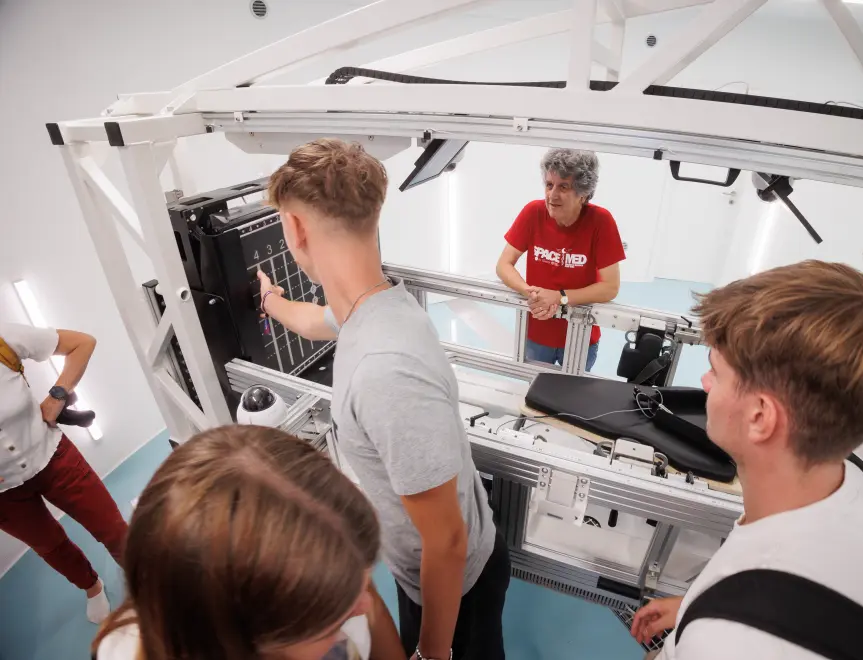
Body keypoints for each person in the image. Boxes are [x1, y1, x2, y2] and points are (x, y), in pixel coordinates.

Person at [257, 138, 509, 660]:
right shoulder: (376, 305)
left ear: (295, 228)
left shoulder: (383, 371)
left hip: (454, 586)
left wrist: (429, 655)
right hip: (424, 570)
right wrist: (271, 301)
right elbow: (313, 320)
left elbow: (446, 541)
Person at [630, 260, 863, 659]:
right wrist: (695, 610)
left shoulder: (734, 644)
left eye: (716, 373)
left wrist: (715, 626)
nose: (704, 384)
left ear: (760, 417)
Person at [92, 425, 405, 660]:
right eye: (327, 625)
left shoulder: (331, 577)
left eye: (362, 583)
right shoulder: (121, 649)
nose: (364, 606)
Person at [0, 322, 126, 624]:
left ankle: (143, 573)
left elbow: (83, 342)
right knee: (50, 546)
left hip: (53, 456)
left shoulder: (4, 337)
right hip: (4, 496)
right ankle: (91, 587)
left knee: (112, 527)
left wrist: (57, 395)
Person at [496, 148, 625, 372]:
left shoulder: (601, 222)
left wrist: (559, 297)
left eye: (563, 187)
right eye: (549, 185)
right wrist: (530, 292)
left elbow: (610, 287)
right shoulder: (533, 212)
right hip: (536, 331)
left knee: (571, 399)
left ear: (582, 194)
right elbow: (504, 265)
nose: (552, 195)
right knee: (535, 392)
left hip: (579, 333)